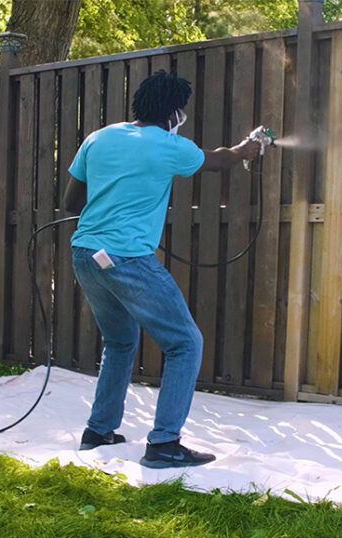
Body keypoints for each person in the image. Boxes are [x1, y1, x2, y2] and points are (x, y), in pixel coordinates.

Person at [60, 70, 261, 469]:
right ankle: (164, 443)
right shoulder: (169, 145)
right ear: (173, 112)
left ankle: (98, 431)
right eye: (180, 110)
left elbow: (70, 202)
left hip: (86, 254)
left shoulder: (98, 138)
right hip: (129, 258)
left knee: (119, 342)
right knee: (185, 343)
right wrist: (247, 149)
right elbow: (220, 161)